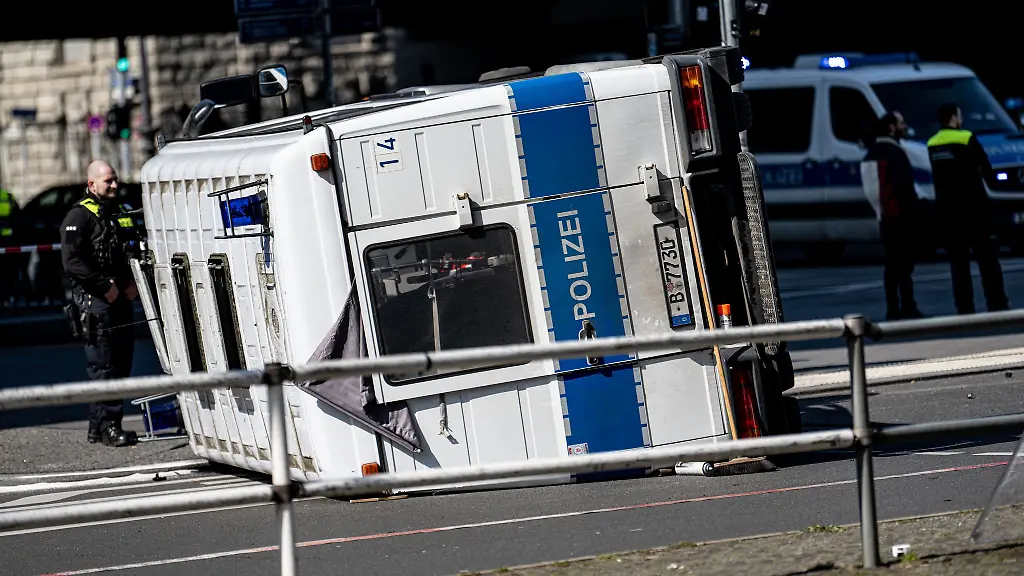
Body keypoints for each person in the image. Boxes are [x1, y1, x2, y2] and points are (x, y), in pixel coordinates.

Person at [60, 160, 141, 447]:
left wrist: (131, 280)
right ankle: (108, 426)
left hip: (118, 298)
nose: (115, 185)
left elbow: (129, 248)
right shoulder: (79, 216)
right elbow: (72, 263)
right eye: (109, 181)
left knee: (121, 363)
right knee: (104, 366)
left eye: (115, 179)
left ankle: (99, 426)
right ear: (92, 184)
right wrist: (104, 286)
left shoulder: (117, 212)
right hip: (96, 301)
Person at [927, 104, 1009, 314]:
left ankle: (964, 307)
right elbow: (985, 166)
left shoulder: (932, 143)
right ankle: (997, 303)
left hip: (949, 212)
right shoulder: (966, 138)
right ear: (954, 118)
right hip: (974, 210)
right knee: (988, 261)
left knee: (959, 265)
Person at [861, 111, 925, 320]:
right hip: (900, 217)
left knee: (891, 265)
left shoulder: (870, 154)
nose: (904, 127)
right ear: (890, 127)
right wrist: (915, 211)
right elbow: (904, 187)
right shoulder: (895, 153)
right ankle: (908, 306)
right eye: (901, 123)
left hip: (884, 218)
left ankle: (893, 307)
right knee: (904, 266)